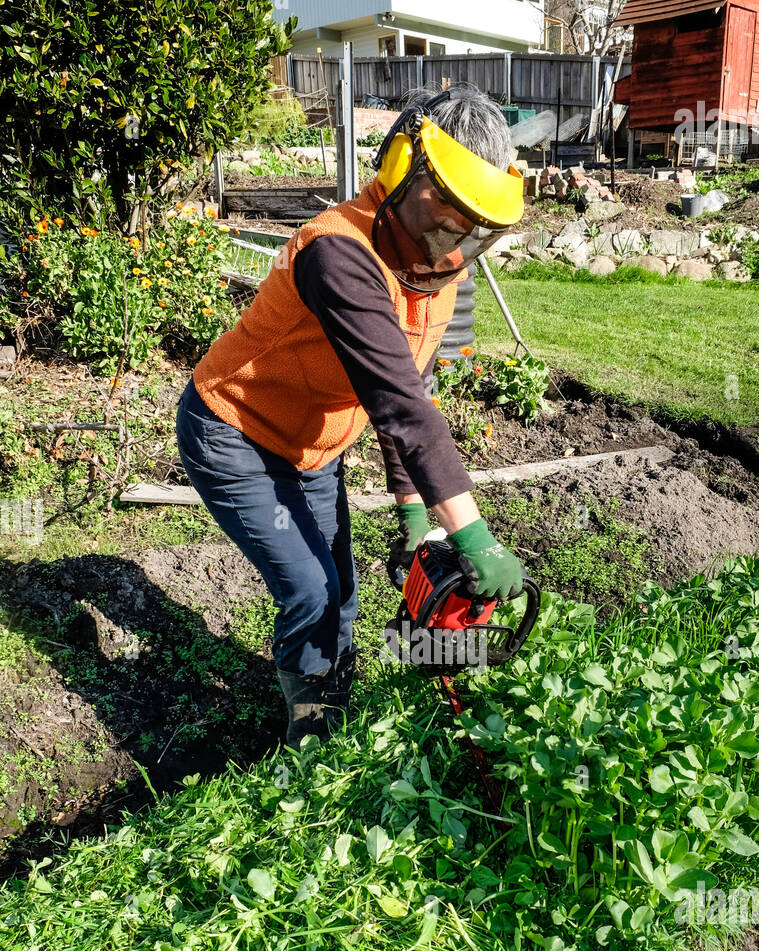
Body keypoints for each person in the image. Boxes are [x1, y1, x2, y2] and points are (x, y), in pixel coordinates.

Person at [175, 83, 525, 747]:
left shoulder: (438, 271)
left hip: (315, 444)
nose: (452, 233)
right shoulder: (340, 254)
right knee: (310, 588)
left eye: (469, 221)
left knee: (343, 586)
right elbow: (398, 404)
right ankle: (312, 735)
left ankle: (330, 684)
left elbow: (409, 394)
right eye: (442, 207)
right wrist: (475, 538)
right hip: (236, 432)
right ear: (402, 172)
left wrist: (417, 518)